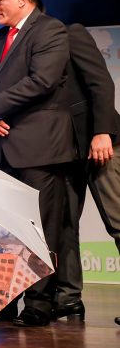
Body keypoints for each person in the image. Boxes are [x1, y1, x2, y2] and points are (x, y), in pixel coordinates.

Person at [0, 0, 73, 326]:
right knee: (7, 230)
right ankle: (7, 300)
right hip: (5, 148)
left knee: (41, 229)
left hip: (41, 148)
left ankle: (40, 303)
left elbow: (42, 81)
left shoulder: (50, 30)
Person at [52, 21, 120, 324]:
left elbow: (101, 83)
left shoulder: (70, 33)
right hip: (63, 150)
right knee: (65, 224)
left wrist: (102, 131)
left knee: (118, 220)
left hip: (99, 143)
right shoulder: (28, 48)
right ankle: (68, 298)